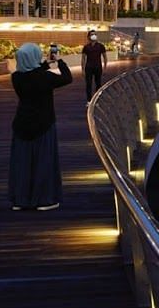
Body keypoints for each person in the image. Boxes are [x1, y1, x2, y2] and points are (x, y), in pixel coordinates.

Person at [8, 42, 72, 211]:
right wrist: (59, 62)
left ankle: (20, 200)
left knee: (22, 163)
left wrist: (45, 65)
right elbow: (67, 78)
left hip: (21, 123)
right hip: (44, 123)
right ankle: (44, 199)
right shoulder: (46, 78)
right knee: (43, 161)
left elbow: (32, 73)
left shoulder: (16, 77)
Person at [82, 29, 107, 101]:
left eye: (95, 34)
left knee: (98, 84)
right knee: (88, 85)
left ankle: (97, 100)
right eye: (92, 34)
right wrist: (83, 70)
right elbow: (83, 58)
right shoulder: (86, 47)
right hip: (89, 67)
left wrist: (105, 68)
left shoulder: (100, 46)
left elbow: (105, 57)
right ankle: (89, 100)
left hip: (98, 67)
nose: (93, 36)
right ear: (89, 36)